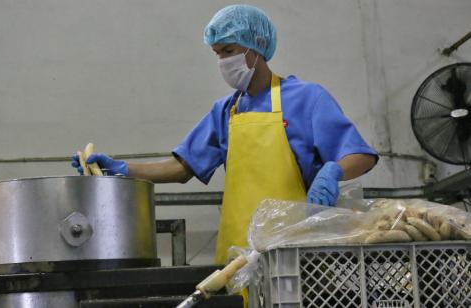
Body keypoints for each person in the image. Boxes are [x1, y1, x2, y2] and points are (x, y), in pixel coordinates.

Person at [72, 4, 377, 265]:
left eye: (229, 51)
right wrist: (123, 169)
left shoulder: (307, 98)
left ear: (257, 45)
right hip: (239, 250)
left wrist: (333, 171)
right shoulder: (226, 111)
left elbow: (360, 155)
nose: (223, 61)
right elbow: (182, 168)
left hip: (295, 249)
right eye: (218, 53)